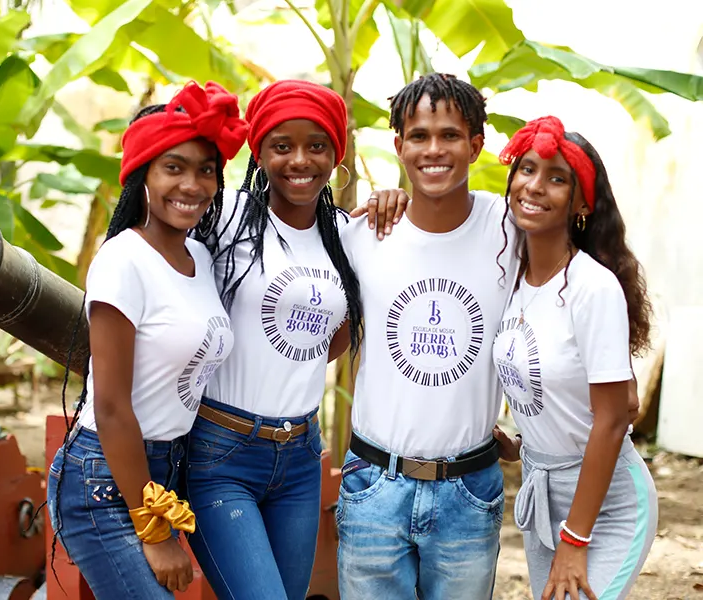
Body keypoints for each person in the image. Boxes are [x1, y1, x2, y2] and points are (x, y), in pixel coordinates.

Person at [183, 79, 407, 600]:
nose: (300, 160)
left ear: (336, 154)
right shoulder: (224, 219)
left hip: (302, 460)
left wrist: (393, 200)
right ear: (258, 152)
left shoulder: (346, 233)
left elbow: (333, 338)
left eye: (317, 145)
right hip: (221, 453)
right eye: (282, 146)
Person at [45, 80, 248, 600]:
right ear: (143, 176)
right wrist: (152, 527)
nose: (193, 184)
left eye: (206, 169)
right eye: (173, 167)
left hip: (168, 466)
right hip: (105, 476)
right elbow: (111, 405)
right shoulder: (122, 260)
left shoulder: (200, 259)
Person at [337, 72, 518, 600]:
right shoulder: (362, 233)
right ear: (398, 145)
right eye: (418, 136)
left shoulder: (509, 229)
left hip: (468, 488)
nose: (433, 150)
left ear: (476, 144)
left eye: (450, 135)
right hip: (373, 483)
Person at [490, 116, 658, 600]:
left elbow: (610, 421)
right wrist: (527, 442)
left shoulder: (592, 288)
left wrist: (575, 539)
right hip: (542, 492)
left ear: (582, 202)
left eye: (557, 178)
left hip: (606, 507)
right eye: (526, 169)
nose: (535, 186)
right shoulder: (515, 279)